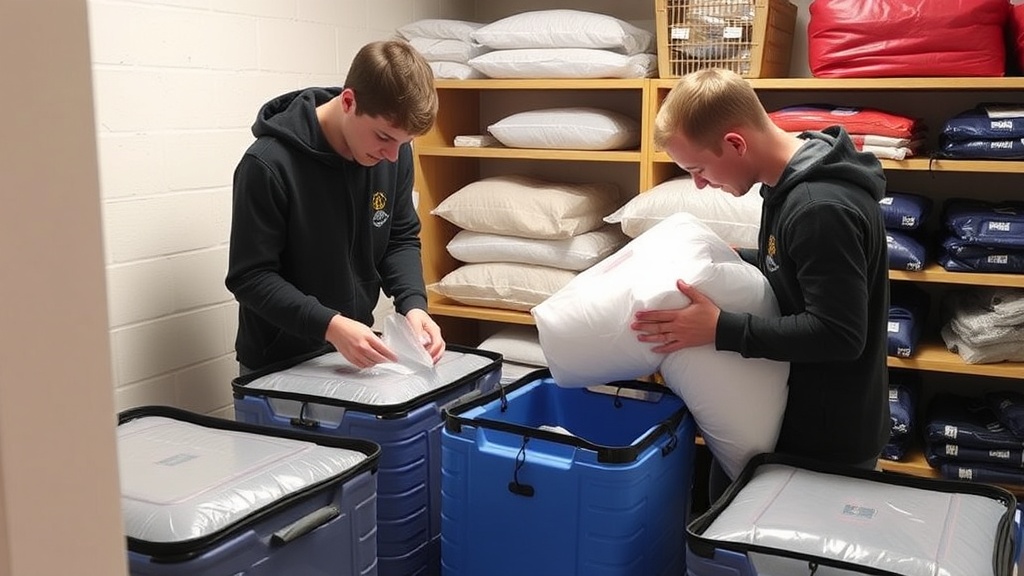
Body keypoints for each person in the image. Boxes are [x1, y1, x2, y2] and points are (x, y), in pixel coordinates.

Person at [631, 68, 890, 500]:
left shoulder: (818, 208)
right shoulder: (790, 181)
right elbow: (795, 268)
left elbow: (840, 334)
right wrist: (737, 259)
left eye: (697, 168)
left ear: (735, 143)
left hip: (824, 442)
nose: (698, 183)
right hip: (801, 420)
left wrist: (718, 328)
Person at [226, 39, 445, 374]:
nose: (392, 155)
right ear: (348, 101)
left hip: (351, 354)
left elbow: (399, 237)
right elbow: (250, 277)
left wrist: (414, 305)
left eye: (404, 143)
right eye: (384, 138)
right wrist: (330, 325)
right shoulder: (267, 164)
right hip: (278, 364)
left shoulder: (394, 152)